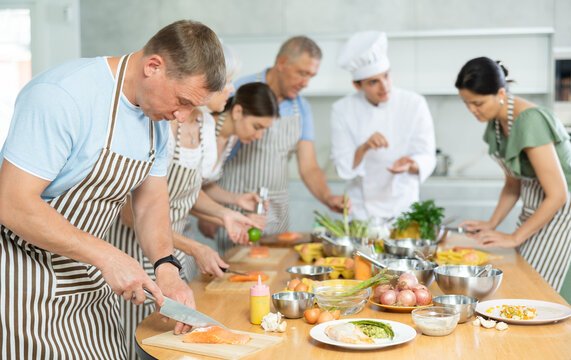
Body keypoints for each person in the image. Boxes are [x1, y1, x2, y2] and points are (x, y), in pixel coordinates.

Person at [0, 20, 226, 359]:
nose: (182, 116)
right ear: (153, 66)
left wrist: (167, 267)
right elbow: (12, 203)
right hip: (28, 286)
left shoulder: (157, 121)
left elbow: (150, 203)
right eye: (182, 101)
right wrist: (106, 255)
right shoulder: (62, 95)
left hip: (91, 284)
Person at [109, 81, 277, 360]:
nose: (231, 89)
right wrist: (195, 247)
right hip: (137, 251)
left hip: (172, 251)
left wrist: (227, 214)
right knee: (137, 339)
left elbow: (189, 192)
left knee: (173, 341)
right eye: (225, 83)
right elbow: (134, 214)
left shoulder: (204, 127)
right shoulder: (164, 125)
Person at [212, 36, 347, 255]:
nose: (306, 82)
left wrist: (328, 196)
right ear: (282, 63)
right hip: (235, 206)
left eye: (311, 76)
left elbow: (309, 166)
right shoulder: (236, 90)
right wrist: (212, 210)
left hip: (276, 210)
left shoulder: (301, 108)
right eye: (302, 73)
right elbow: (211, 150)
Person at [455, 57, 571, 291]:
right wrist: (492, 223)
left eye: (477, 103)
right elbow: (512, 185)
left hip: (562, 218)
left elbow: (558, 195)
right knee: (525, 284)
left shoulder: (530, 120)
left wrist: (515, 237)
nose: (472, 110)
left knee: (541, 293)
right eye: (467, 103)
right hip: (538, 213)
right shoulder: (497, 123)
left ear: (500, 93)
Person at [331, 31, 436, 221]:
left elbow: (427, 155)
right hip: (362, 213)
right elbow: (344, 168)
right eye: (374, 82)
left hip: (403, 209)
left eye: (386, 76)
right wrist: (364, 148)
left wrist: (411, 165)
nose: (384, 86)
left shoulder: (414, 103)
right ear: (357, 85)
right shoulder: (342, 110)